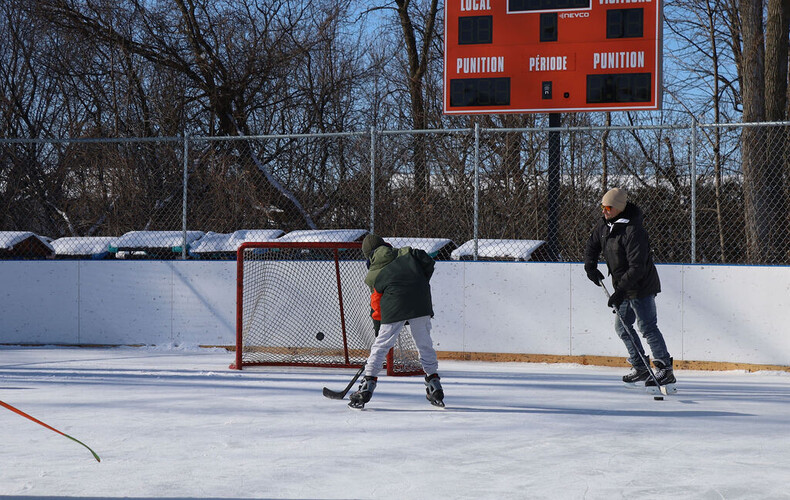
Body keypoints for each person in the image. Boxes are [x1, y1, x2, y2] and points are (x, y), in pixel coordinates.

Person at [584, 187, 677, 392]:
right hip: (624, 287)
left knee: (647, 327)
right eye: (602, 207)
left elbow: (637, 267)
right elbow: (592, 245)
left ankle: (665, 368)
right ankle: (641, 366)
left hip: (641, 286)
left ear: (618, 208)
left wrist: (620, 292)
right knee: (622, 327)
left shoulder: (634, 230)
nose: (604, 211)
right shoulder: (605, 225)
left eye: (608, 207)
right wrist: (590, 265)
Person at [349, 233, 444, 409]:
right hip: (421, 301)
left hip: (394, 307)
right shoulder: (407, 252)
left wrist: (379, 331)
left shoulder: (373, 275)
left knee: (381, 346)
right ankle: (434, 384)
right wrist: (419, 283)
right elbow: (427, 261)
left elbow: (376, 308)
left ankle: (366, 387)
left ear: (369, 255)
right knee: (424, 343)